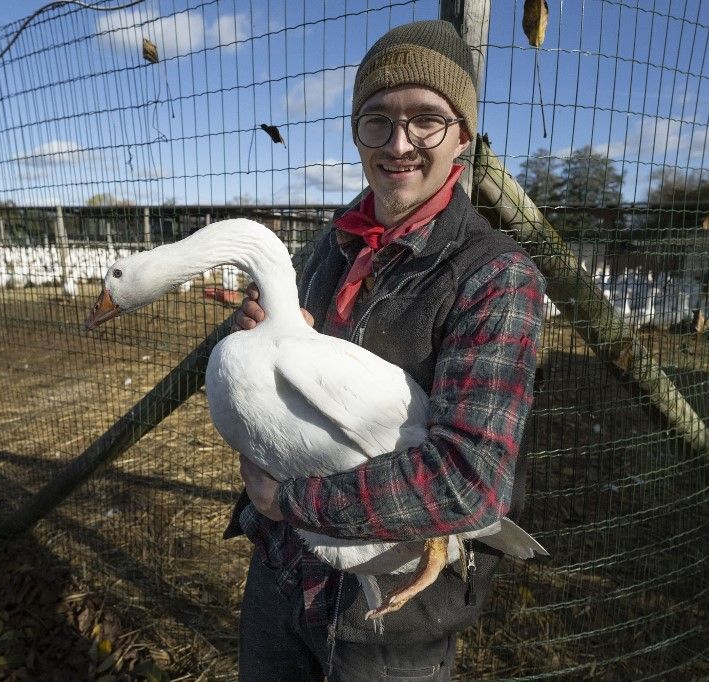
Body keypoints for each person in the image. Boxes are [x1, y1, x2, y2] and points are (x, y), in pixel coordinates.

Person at [224, 19, 545, 681]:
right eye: (377, 119)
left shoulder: (495, 277)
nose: (398, 144)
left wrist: (290, 502)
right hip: (283, 575)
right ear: (355, 131)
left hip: (389, 623)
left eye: (426, 119)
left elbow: (470, 483)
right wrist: (266, 340)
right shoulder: (326, 249)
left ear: (463, 135)